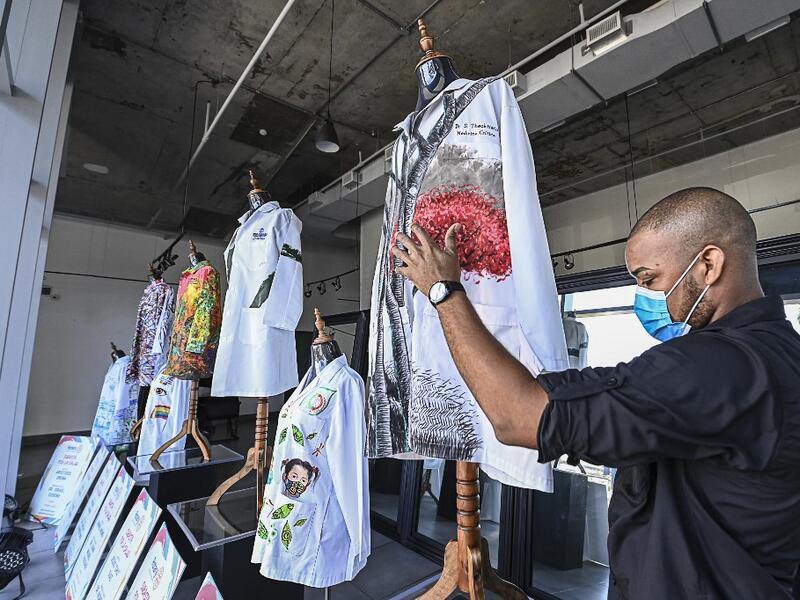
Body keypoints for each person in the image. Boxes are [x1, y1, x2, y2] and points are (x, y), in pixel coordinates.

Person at [391, 187, 800, 599]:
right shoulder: (779, 352)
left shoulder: (721, 366)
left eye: (650, 279)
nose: (645, 296)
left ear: (708, 264)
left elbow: (518, 416)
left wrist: (444, 291)